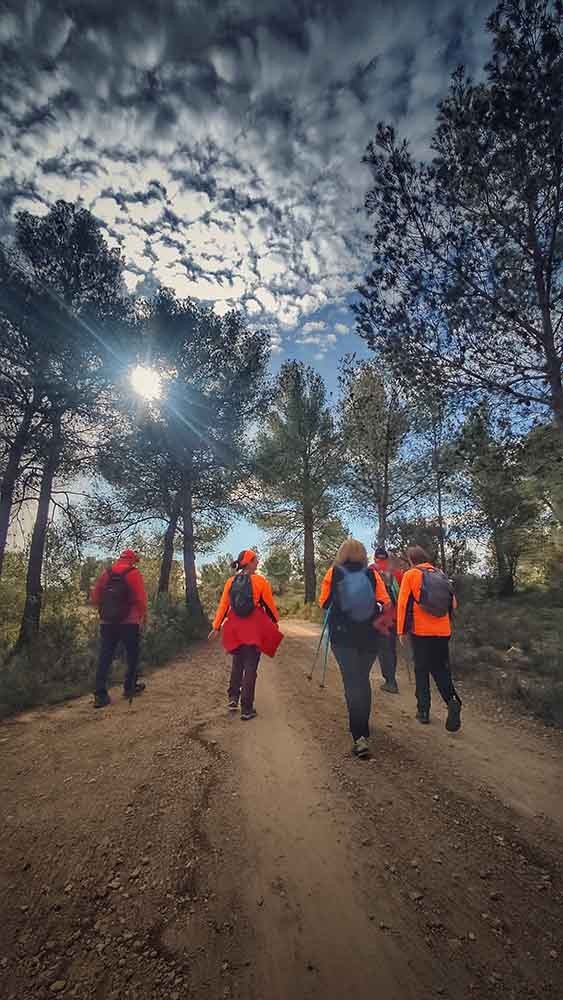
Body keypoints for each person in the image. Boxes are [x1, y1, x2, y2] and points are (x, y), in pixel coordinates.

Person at [319, 539, 390, 758]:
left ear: (342, 553)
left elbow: (324, 602)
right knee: (362, 679)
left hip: (343, 637)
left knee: (351, 682)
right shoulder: (372, 574)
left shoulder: (334, 572)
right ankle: (363, 729)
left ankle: (359, 736)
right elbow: (385, 603)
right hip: (369, 636)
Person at [209, 550, 281, 721]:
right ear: (248, 562)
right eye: (255, 560)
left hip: (235, 627)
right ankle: (247, 709)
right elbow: (270, 607)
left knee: (237, 663)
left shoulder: (230, 582)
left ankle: (233, 698)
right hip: (253, 628)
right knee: (250, 667)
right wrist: (275, 622)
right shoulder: (260, 581)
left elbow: (224, 606)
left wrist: (216, 626)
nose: (258, 562)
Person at [396, 545, 462, 731]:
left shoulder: (411, 575)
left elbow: (403, 605)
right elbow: (453, 604)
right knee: (441, 669)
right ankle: (452, 700)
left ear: (411, 560)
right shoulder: (441, 574)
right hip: (443, 632)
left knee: (421, 670)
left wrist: (401, 631)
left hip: (421, 632)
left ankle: (423, 711)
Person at [91, 549, 148, 709]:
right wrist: (143, 616)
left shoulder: (106, 573)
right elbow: (141, 598)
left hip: (107, 622)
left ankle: (100, 694)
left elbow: (95, 596)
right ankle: (129, 687)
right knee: (132, 655)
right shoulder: (134, 573)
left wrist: (104, 612)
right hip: (129, 622)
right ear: (132, 559)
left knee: (105, 655)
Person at [370, 545, 403, 694]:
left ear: (375, 557)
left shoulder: (371, 570)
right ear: (387, 558)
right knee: (391, 648)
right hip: (395, 616)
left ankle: (390, 681)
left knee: (383, 650)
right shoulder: (397, 573)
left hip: (380, 617)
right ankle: (391, 677)